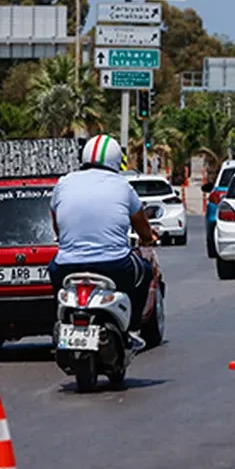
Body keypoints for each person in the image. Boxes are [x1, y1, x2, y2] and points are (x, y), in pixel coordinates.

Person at [48, 134, 158, 350]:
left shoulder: (63, 183)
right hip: (115, 265)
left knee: (52, 272)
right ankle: (133, 330)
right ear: (116, 160)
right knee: (145, 272)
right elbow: (142, 225)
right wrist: (148, 239)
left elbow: (57, 225)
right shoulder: (123, 186)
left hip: (67, 266)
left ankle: (60, 322)